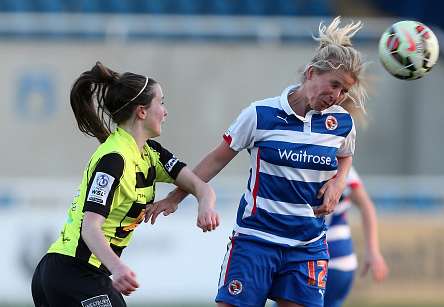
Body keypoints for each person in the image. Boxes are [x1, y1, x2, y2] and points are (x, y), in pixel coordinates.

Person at [145, 16, 369, 307]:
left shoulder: (341, 122)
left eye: (344, 91)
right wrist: (176, 197)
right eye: (334, 85)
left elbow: (345, 158)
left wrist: (339, 181)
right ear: (312, 73)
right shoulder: (260, 114)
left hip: (306, 246)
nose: (336, 96)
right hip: (255, 241)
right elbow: (215, 159)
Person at [31, 61, 220, 307]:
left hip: (72, 275)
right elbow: (90, 227)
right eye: (161, 103)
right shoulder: (114, 159)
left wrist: (205, 205)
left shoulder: (151, 154)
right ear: (142, 112)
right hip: (74, 273)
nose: (165, 111)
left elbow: (200, 185)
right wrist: (118, 268)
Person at [323, 100, 388, 307]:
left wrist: (373, 250)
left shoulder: (339, 167)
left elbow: (366, 205)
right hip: (337, 261)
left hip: (327, 259)